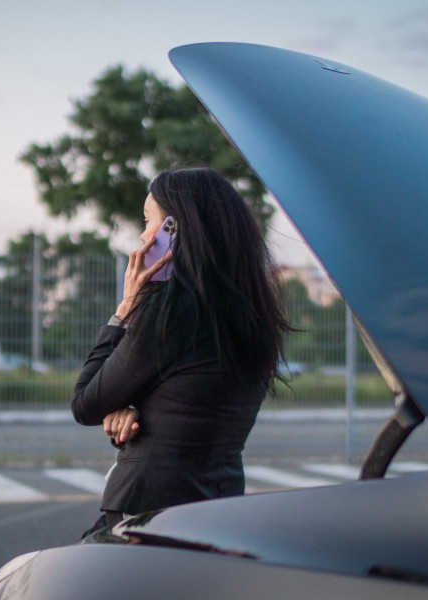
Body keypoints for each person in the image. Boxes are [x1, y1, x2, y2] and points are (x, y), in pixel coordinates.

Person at [71, 167, 291, 535]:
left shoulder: (170, 312)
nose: (142, 235)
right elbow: (193, 397)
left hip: (146, 516)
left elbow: (85, 403)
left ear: (175, 229)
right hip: (218, 509)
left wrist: (124, 309)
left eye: (148, 221)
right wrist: (137, 408)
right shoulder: (253, 315)